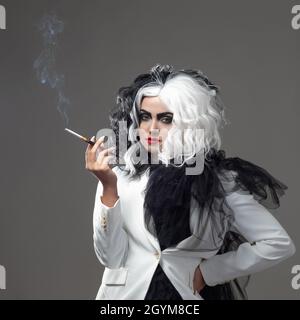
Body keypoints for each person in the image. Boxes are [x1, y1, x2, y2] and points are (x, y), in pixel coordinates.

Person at [85, 64, 296, 300]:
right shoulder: (118, 174)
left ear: (188, 123)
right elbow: (110, 257)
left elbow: (277, 243)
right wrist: (108, 188)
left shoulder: (214, 181)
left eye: (165, 119)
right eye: (145, 117)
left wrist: (209, 272)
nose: (152, 128)